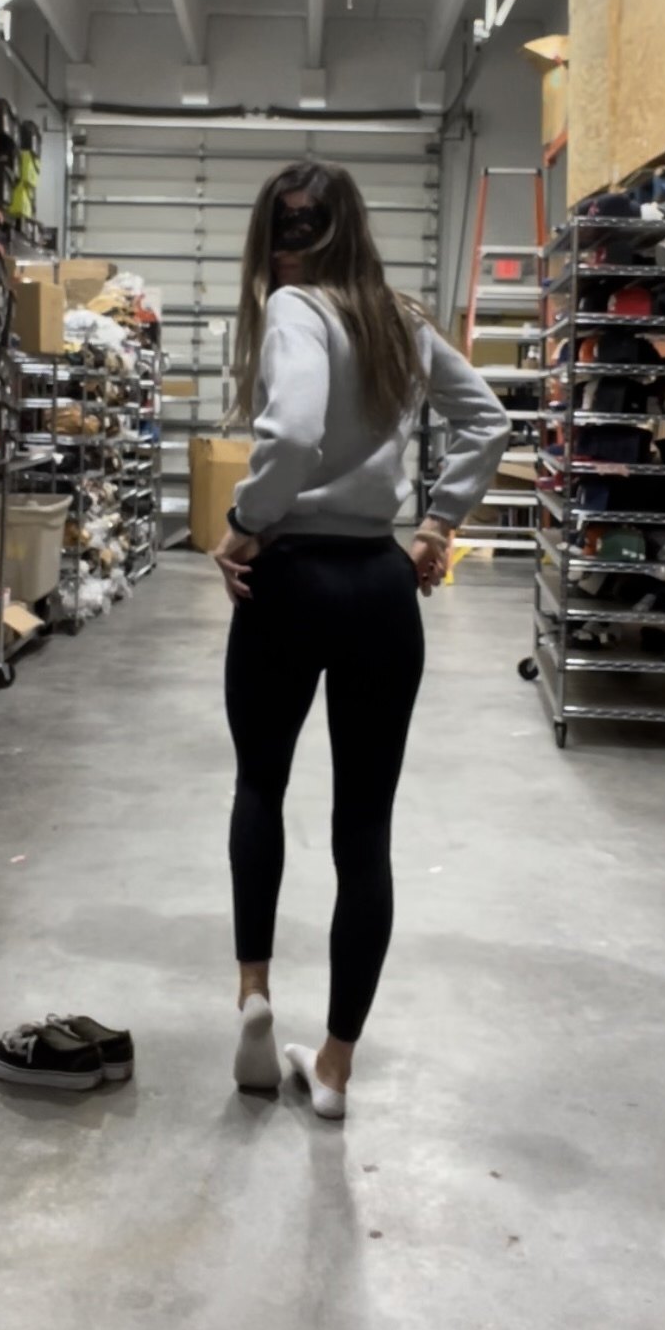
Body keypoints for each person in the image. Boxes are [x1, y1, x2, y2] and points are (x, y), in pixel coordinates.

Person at [214, 159, 509, 1120]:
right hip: (381, 585)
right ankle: (335, 1066)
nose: (287, 246)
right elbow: (487, 420)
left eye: (290, 229)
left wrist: (247, 521)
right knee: (365, 830)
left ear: (290, 236)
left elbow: (293, 431)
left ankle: (254, 994)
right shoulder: (399, 318)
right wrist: (438, 524)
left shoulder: (294, 310)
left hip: (290, 576)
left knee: (261, 785)